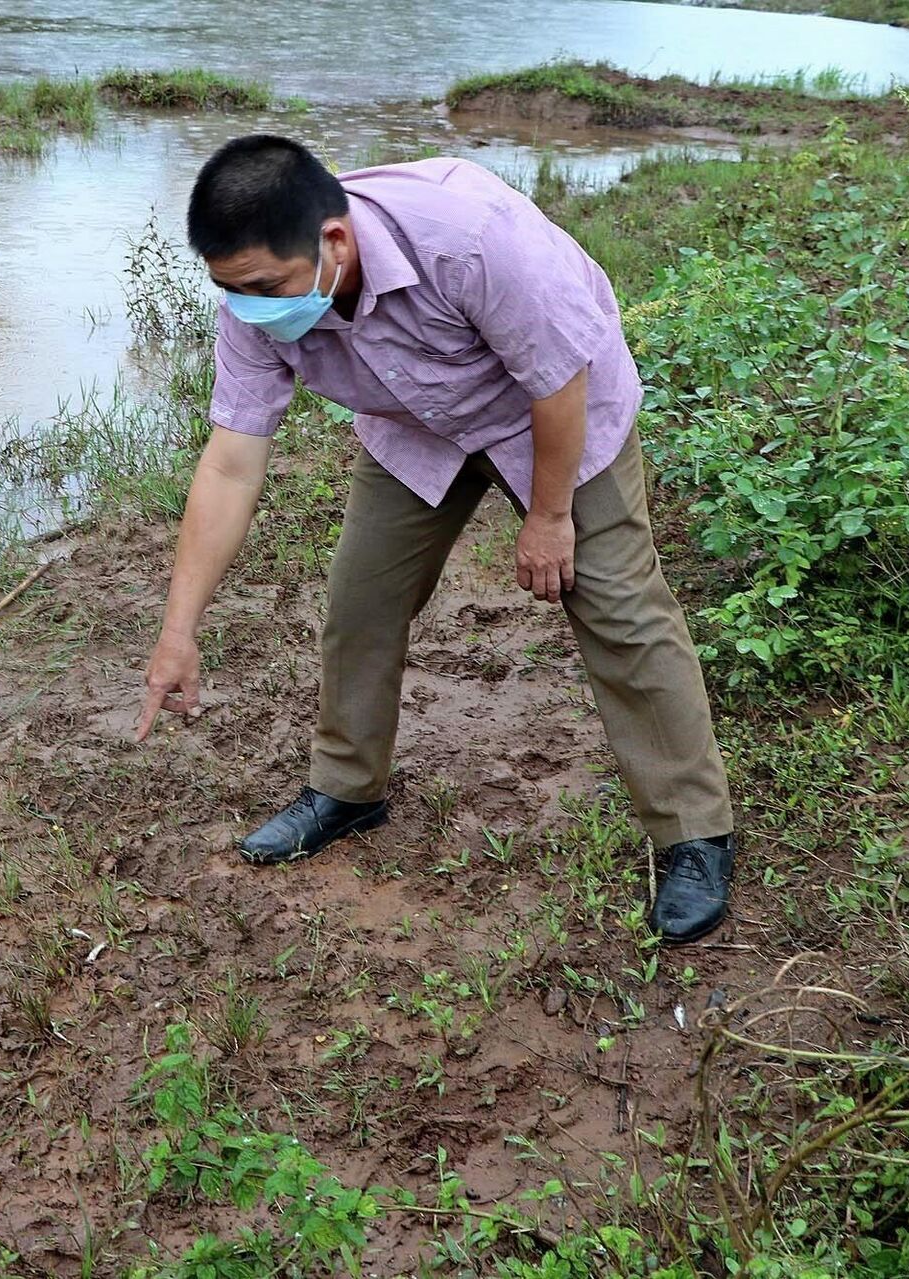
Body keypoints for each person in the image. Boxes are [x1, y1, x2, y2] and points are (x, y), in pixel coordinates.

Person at [133, 135, 736, 944]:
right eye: (231, 290)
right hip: (417, 425)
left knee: (619, 605)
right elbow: (232, 466)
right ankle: (347, 790)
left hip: (552, 409)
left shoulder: (471, 236)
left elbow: (559, 377)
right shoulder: (255, 303)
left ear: (334, 243)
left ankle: (694, 833)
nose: (251, 308)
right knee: (362, 600)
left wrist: (549, 518)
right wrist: (178, 631)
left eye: (265, 287)